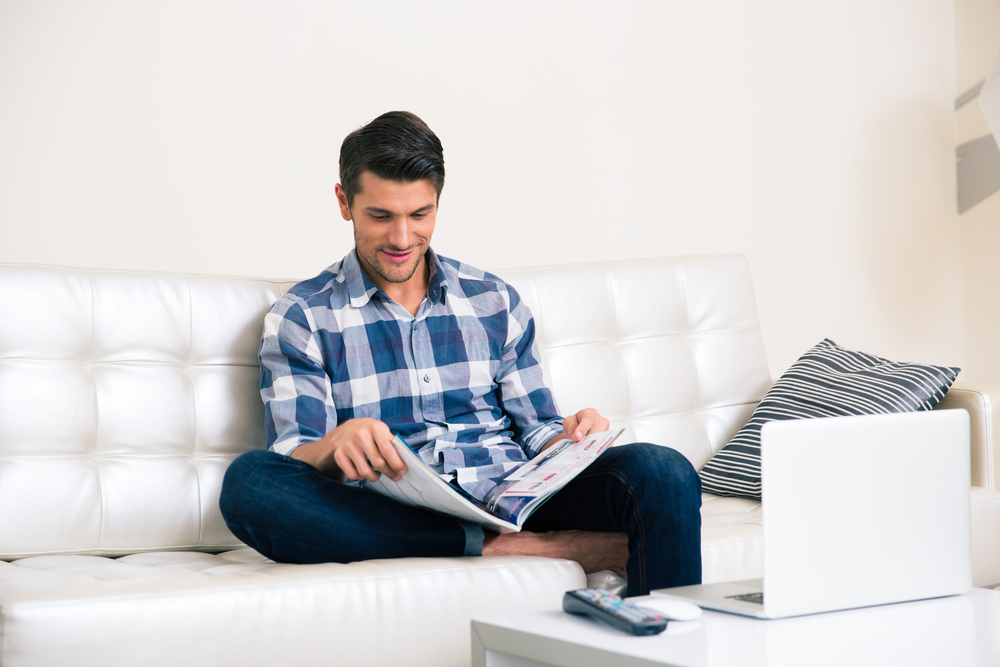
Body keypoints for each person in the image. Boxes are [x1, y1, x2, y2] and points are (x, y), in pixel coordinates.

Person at [219, 111, 702, 596]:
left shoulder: (494, 299)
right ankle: (515, 547)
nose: (402, 239)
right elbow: (293, 454)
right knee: (251, 485)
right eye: (381, 216)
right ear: (345, 203)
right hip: (390, 509)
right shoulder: (303, 316)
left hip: (515, 493)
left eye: (419, 215)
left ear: (437, 202)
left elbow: (538, 430)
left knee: (663, 470)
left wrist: (574, 438)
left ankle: (668, 644)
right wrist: (336, 442)